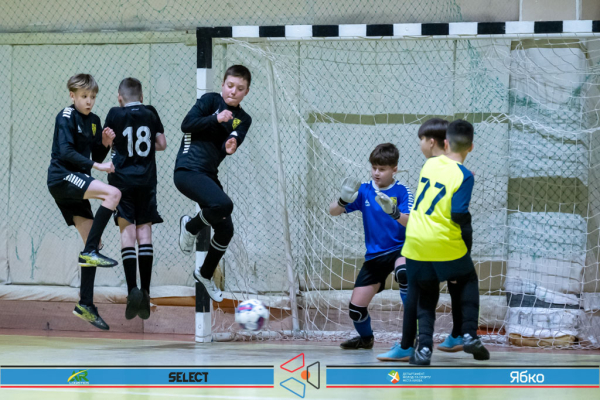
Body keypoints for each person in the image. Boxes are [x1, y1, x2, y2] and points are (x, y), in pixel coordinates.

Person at [402, 119, 489, 365]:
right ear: (471, 147)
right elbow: (458, 213)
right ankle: (469, 334)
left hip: (415, 241)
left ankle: (424, 349)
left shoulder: (429, 164)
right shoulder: (464, 175)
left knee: (426, 294)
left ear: (446, 143)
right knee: (467, 279)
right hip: (443, 241)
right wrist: (466, 241)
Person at [47, 73, 121, 330]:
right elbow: (66, 152)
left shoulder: (95, 121)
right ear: (73, 96)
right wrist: (98, 166)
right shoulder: (66, 116)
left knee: (94, 242)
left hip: (75, 182)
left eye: (92, 97)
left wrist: (105, 143)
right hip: (62, 177)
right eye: (84, 96)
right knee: (113, 194)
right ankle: (90, 253)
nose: (89, 101)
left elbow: (95, 153)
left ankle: (85, 304)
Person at [175, 65, 252, 302]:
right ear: (222, 84)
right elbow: (187, 125)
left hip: (208, 174)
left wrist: (230, 145)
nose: (233, 91)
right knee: (224, 205)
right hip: (188, 170)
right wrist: (215, 118)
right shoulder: (210, 101)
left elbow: (233, 139)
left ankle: (205, 273)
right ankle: (190, 227)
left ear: (246, 92)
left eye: (240, 88)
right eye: (230, 86)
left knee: (226, 229)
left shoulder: (243, 119)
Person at [329, 143, 413, 350]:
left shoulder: (402, 191)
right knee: (356, 310)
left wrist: (394, 213)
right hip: (375, 256)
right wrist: (342, 200)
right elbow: (333, 211)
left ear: (394, 169)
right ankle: (366, 339)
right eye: (374, 167)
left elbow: (412, 222)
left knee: (404, 274)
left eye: (382, 169)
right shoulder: (365, 190)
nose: (376, 173)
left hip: (401, 248)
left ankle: (413, 337)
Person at [104, 77, 167, 320]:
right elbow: (162, 143)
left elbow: (106, 142)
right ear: (141, 97)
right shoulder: (151, 112)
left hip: (122, 182)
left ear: (120, 98)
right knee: (145, 235)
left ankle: (132, 291)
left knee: (127, 234)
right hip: (146, 181)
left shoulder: (114, 113)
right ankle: (147, 292)